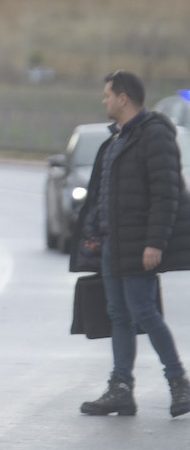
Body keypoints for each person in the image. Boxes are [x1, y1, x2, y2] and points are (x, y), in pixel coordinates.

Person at [75, 70, 190, 417]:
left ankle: (179, 383)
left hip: (140, 244)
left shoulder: (154, 135)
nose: (105, 100)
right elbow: (104, 194)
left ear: (123, 98)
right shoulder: (117, 140)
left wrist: (155, 242)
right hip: (114, 243)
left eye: (108, 95)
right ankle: (121, 389)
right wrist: (94, 233)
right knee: (119, 316)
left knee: (144, 313)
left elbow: (166, 192)